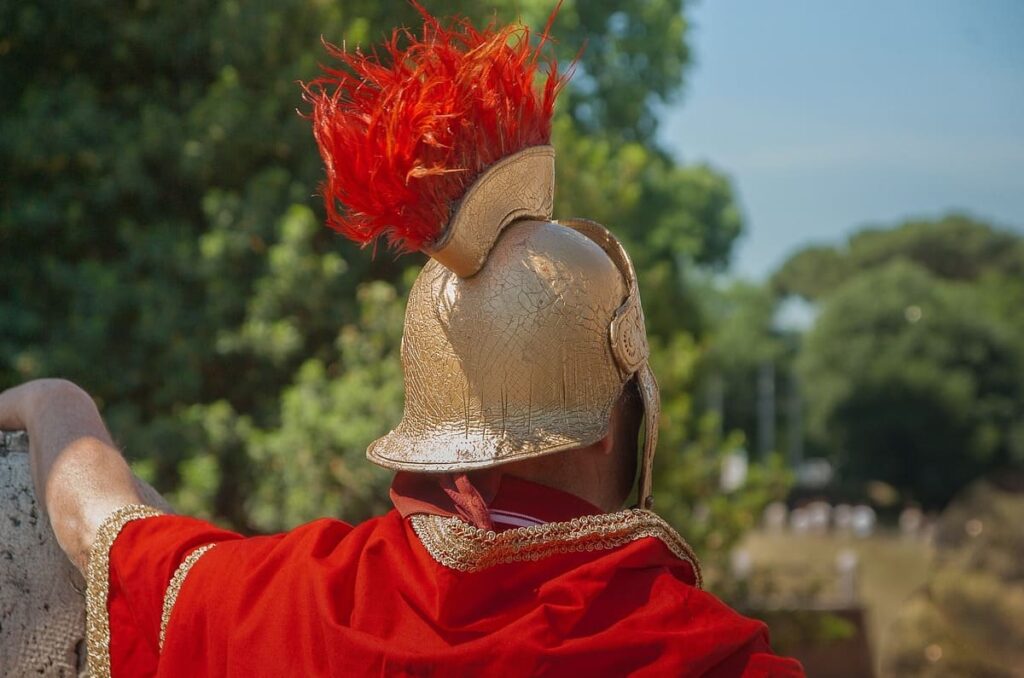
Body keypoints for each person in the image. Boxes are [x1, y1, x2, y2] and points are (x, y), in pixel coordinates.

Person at [0, 6, 803, 677]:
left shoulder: (302, 604)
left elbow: (105, 531)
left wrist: (51, 399)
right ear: (606, 420)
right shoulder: (701, 652)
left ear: (438, 419)